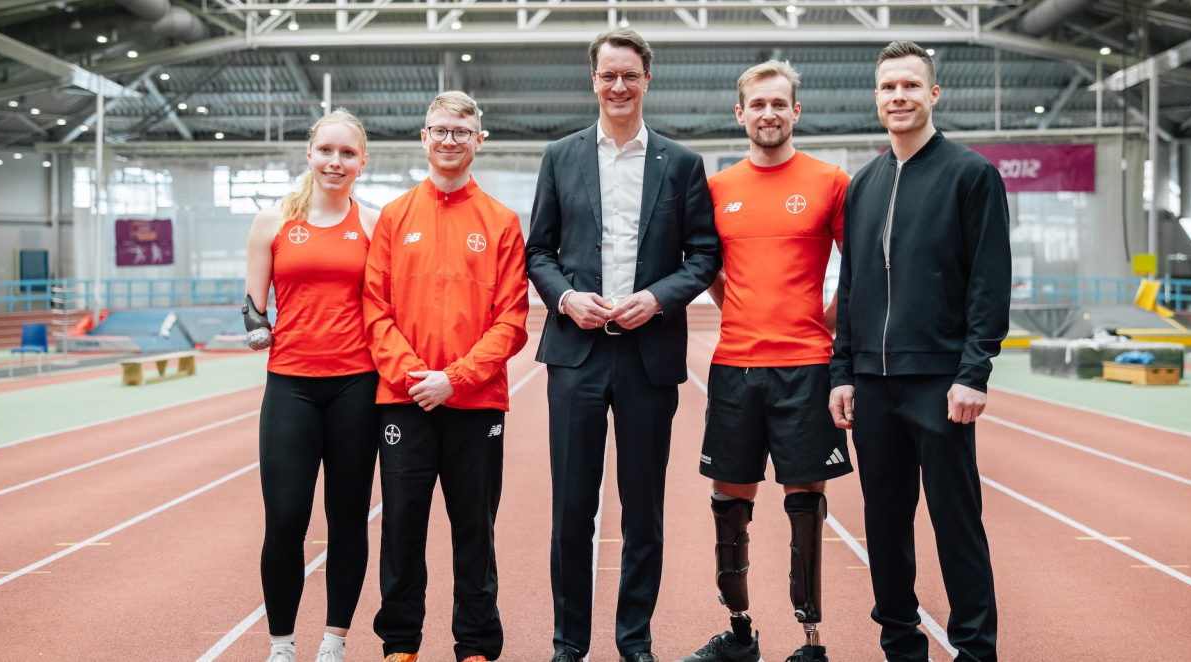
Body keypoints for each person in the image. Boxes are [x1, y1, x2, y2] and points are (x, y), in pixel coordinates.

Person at [525, 27, 721, 662]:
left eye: (629, 75)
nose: (618, 86)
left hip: (647, 357)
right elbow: (539, 251)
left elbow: (703, 255)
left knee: (643, 511)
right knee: (572, 509)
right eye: (608, 74)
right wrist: (564, 298)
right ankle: (568, 643)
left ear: (646, 80)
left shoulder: (682, 163)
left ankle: (634, 640)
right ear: (593, 80)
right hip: (576, 355)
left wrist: (659, 298)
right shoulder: (561, 156)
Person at [827, 41, 1011, 662]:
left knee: (957, 522)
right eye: (888, 88)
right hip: (873, 386)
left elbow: (989, 281)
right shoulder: (863, 186)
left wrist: (973, 371)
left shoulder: (971, 175)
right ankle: (901, 646)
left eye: (910, 86)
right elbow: (850, 285)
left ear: (933, 94)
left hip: (940, 382)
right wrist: (841, 371)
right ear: (876, 98)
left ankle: (975, 650)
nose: (898, 97)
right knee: (884, 525)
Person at [678, 60, 850, 662]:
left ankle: (811, 641)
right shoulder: (718, 188)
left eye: (780, 103)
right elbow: (709, 271)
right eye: (758, 104)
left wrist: (823, 322)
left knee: (805, 505)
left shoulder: (831, 181)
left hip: (807, 367)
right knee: (730, 501)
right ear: (741, 113)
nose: (769, 113)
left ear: (795, 111)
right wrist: (741, 311)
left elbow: (857, 270)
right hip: (735, 367)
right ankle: (741, 633)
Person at [363, 91, 529, 662]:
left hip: (476, 404)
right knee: (401, 529)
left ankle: (477, 646)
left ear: (478, 139)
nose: (450, 140)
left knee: (473, 534)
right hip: (403, 402)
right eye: (440, 130)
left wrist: (455, 379)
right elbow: (374, 309)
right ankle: (400, 646)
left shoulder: (502, 222)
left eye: (461, 131)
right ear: (424, 137)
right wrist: (415, 378)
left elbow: (511, 319)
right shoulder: (394, 216)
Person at [242, 109, 382, 662]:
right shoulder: (271, 221)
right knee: (285, 519)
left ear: (362, 162)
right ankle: (281, 644)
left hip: (356, 386)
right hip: (291, 387)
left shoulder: (375, 223)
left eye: (348, 153)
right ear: (309, 154)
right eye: (327, 150)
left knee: (348, 519)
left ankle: (334, 640)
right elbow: (253, 305)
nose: (336, 162)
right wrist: (257, 328)